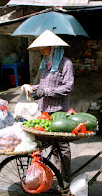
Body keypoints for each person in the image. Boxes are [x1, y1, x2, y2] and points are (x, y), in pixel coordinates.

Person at [28, 30, 74, 184]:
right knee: (53, 146)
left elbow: (68, 87)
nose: (42, 51)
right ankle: (56, 172)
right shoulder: (45, 64)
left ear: (53, 47)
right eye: (40, 48)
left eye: (45, 47)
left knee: (62, 146)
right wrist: (33, 88)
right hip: (45, 110)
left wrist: (45, 91)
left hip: (58, 111)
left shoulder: (65, 64)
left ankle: (66, 177)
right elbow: (44, 86)